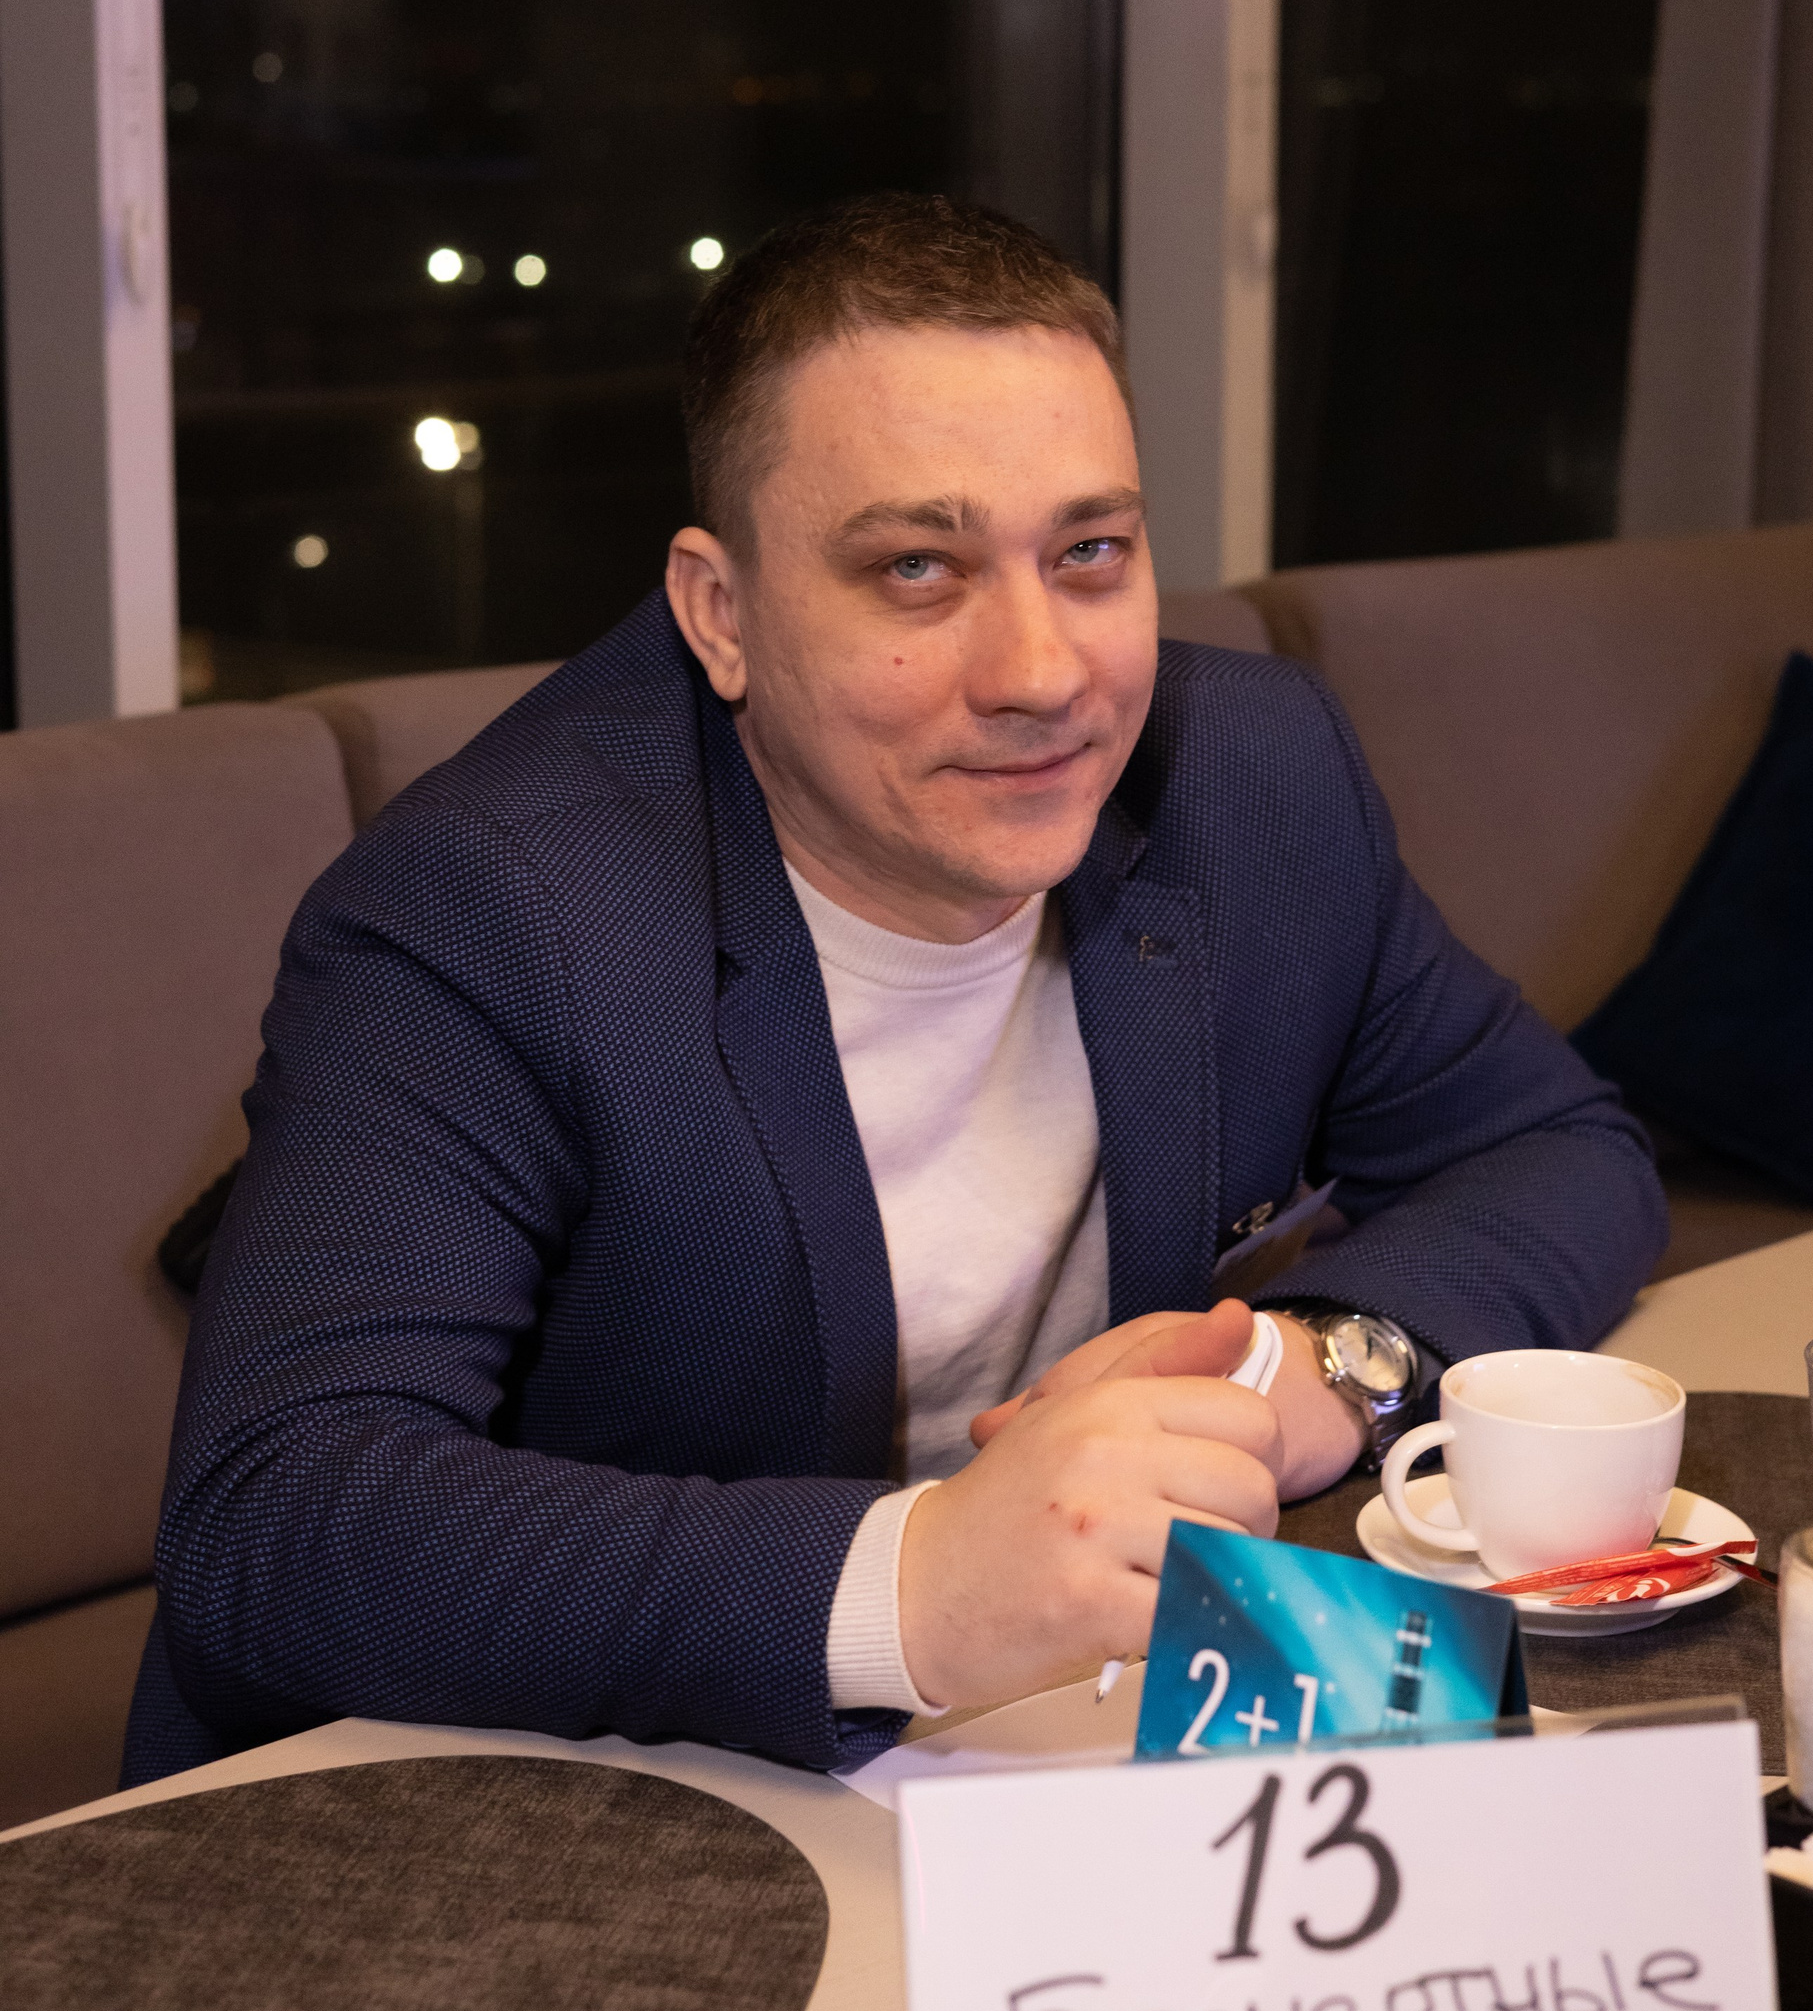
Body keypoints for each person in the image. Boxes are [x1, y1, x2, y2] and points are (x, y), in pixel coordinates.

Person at [126, 195, 1663, 1787]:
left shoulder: (1248, 779)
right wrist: (916, 1587)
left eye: (1091, 553)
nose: (1043, 674)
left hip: (1076, 1734)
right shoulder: (495, 905)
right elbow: (277, 1516)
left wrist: (1315, 1375)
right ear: (721, 614)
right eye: (919, 569)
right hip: (565, 1791)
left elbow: (1558, 1148)